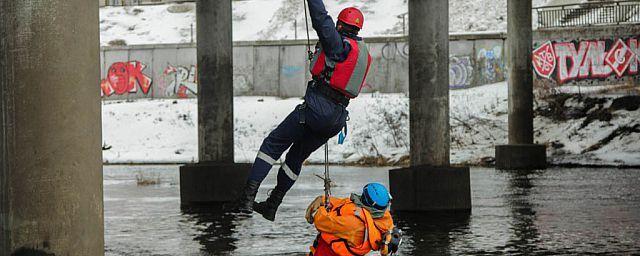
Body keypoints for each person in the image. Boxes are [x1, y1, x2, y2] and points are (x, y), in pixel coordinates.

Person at [235, 0, 373, 222]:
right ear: (358, 29)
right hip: (336, 118)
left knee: (272, 144)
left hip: (317, 109)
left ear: (340, 25)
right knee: (295, 157)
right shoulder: (362, 52)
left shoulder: (339, 45)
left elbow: (320, 18)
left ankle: (246, 200)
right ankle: (271, 205)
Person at [305, 183, 401, 256]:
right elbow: (344, 203)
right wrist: (323, 199)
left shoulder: (354, 224)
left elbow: (321, 222)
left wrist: (321, 208)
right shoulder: (384, 218)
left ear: (365, 199)